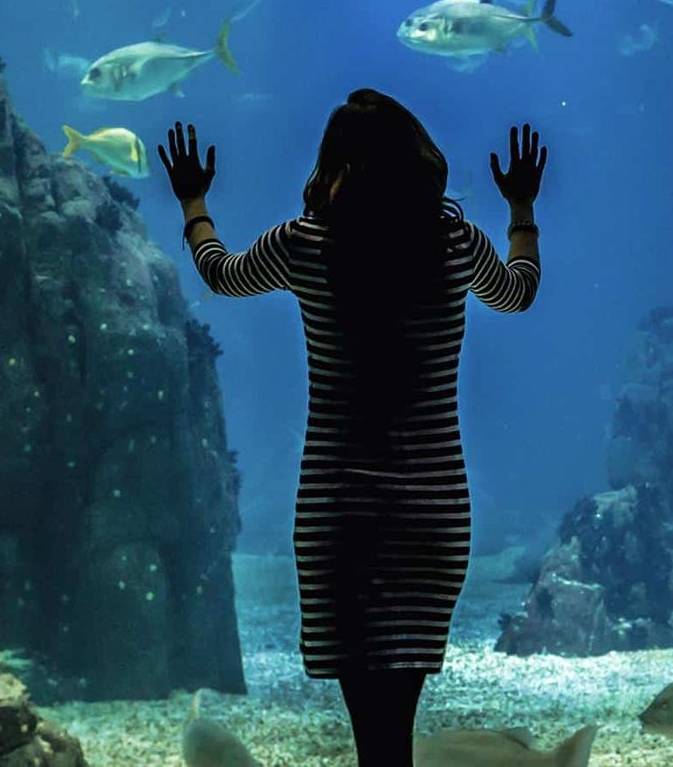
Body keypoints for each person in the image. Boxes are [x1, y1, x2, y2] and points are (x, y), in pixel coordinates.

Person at [158, 89, 547, 767]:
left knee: (373, 718)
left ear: (335, 165)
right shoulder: (455, 241)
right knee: (394, 712)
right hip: (433, 512)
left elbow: (219, 274)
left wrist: (193, 203)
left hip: (342, 511)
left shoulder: (306, 244)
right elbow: (518, 290)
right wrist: (521, 209)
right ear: (418, 159)